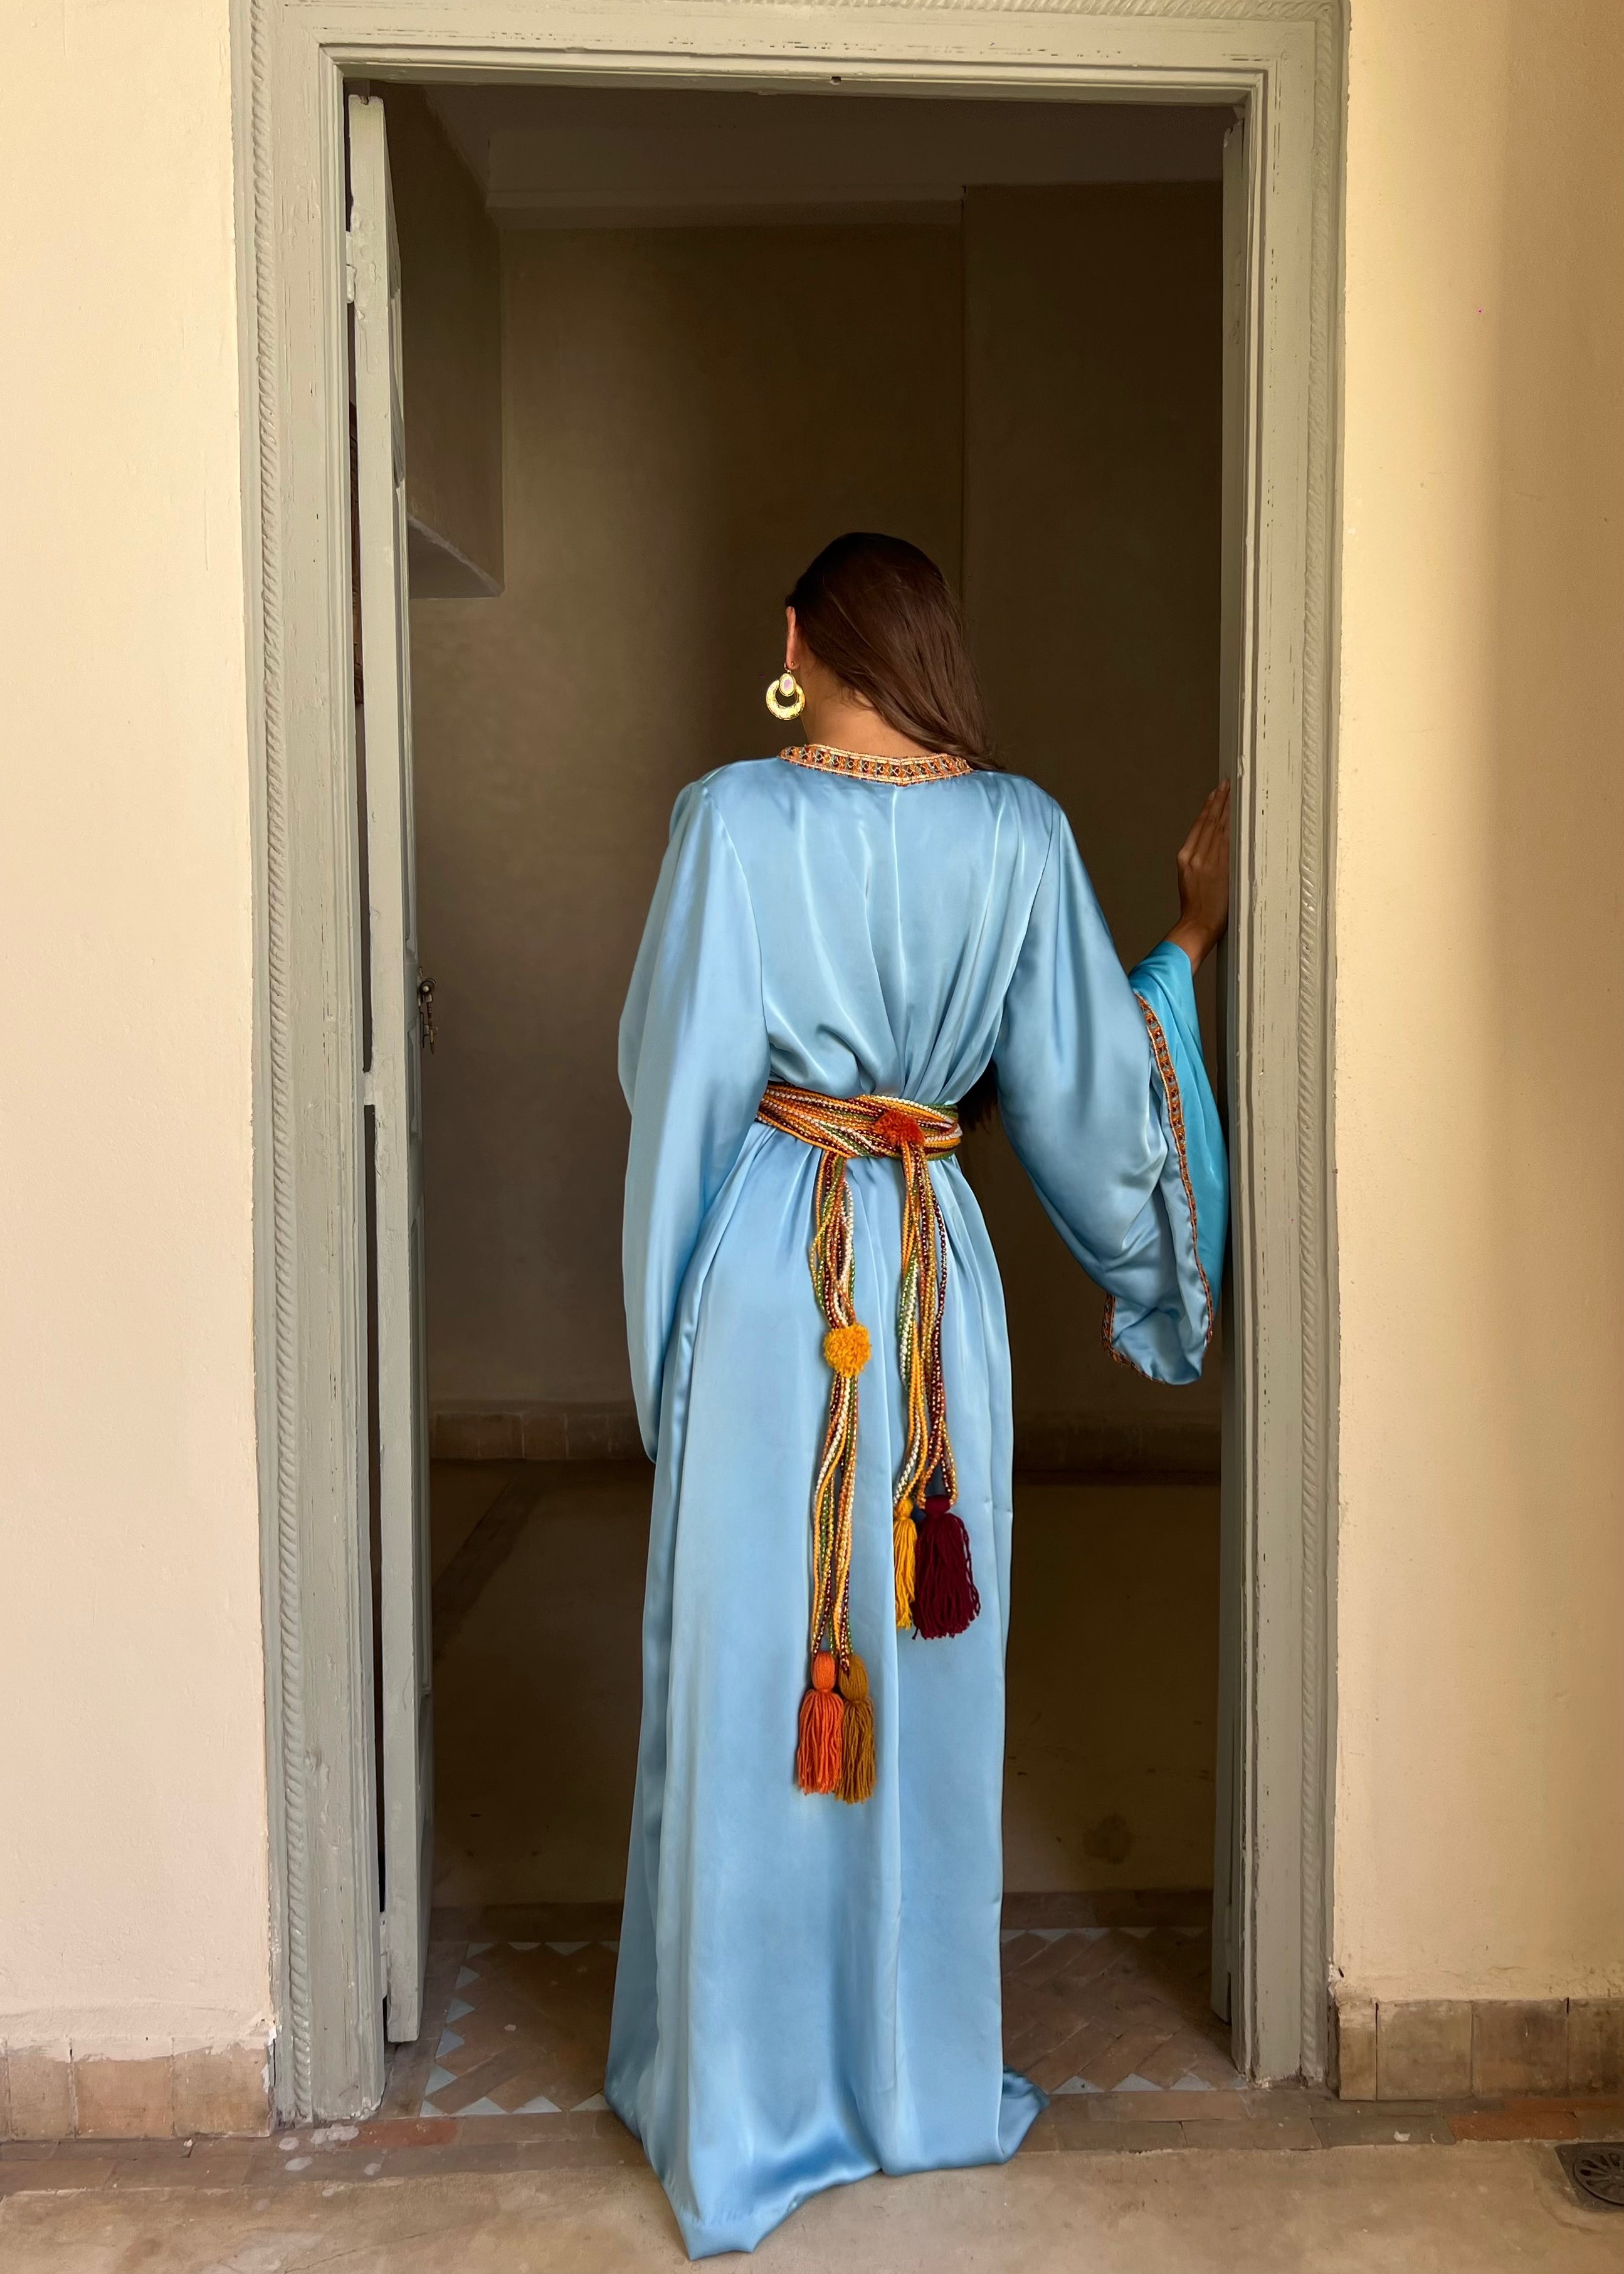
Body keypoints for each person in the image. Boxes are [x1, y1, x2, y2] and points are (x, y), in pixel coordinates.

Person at [606, 531, 1229, 2258]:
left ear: (797, 642)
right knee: (922, 1665)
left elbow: (677, 1086)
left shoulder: (729, 818)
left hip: (765, 1278)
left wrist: (666, 1358)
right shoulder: (1021, 833)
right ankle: (912, 2078)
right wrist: (1186, 942)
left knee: (755, 1676)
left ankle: (739, 2096)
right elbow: (1092, 1108)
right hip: (934, 1283)